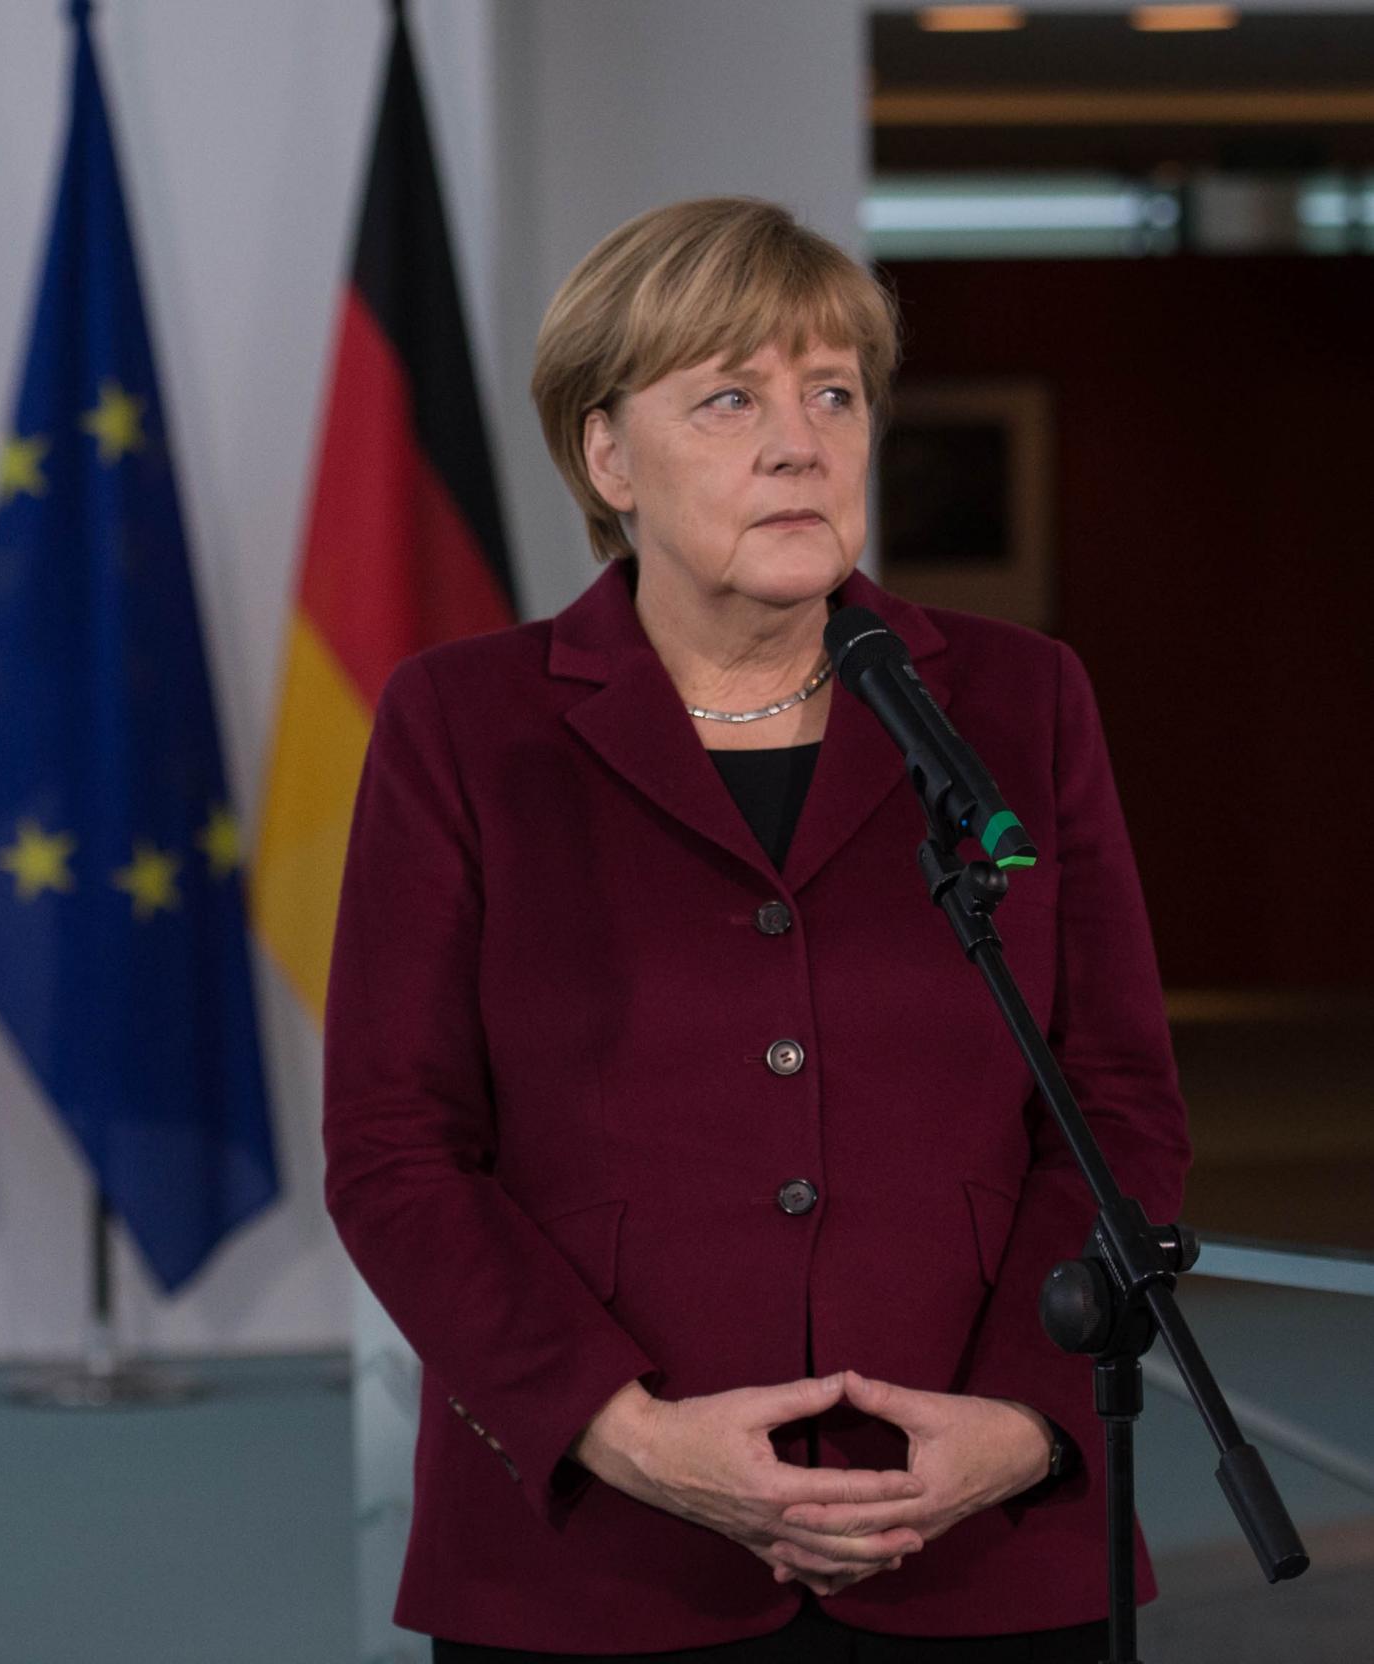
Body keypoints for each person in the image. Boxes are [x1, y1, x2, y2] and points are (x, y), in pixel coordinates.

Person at [321, 197, 1191, 1661]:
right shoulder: (463, 724)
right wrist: (627, 1435)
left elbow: (1114, 1104)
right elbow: (396, 1151)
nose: (800, 440)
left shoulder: (1019, 700)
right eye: (730, 395)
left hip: (978, 1552)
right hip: (601, 1554)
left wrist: (1022, 1425)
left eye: (833, 394)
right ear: (608, 453)